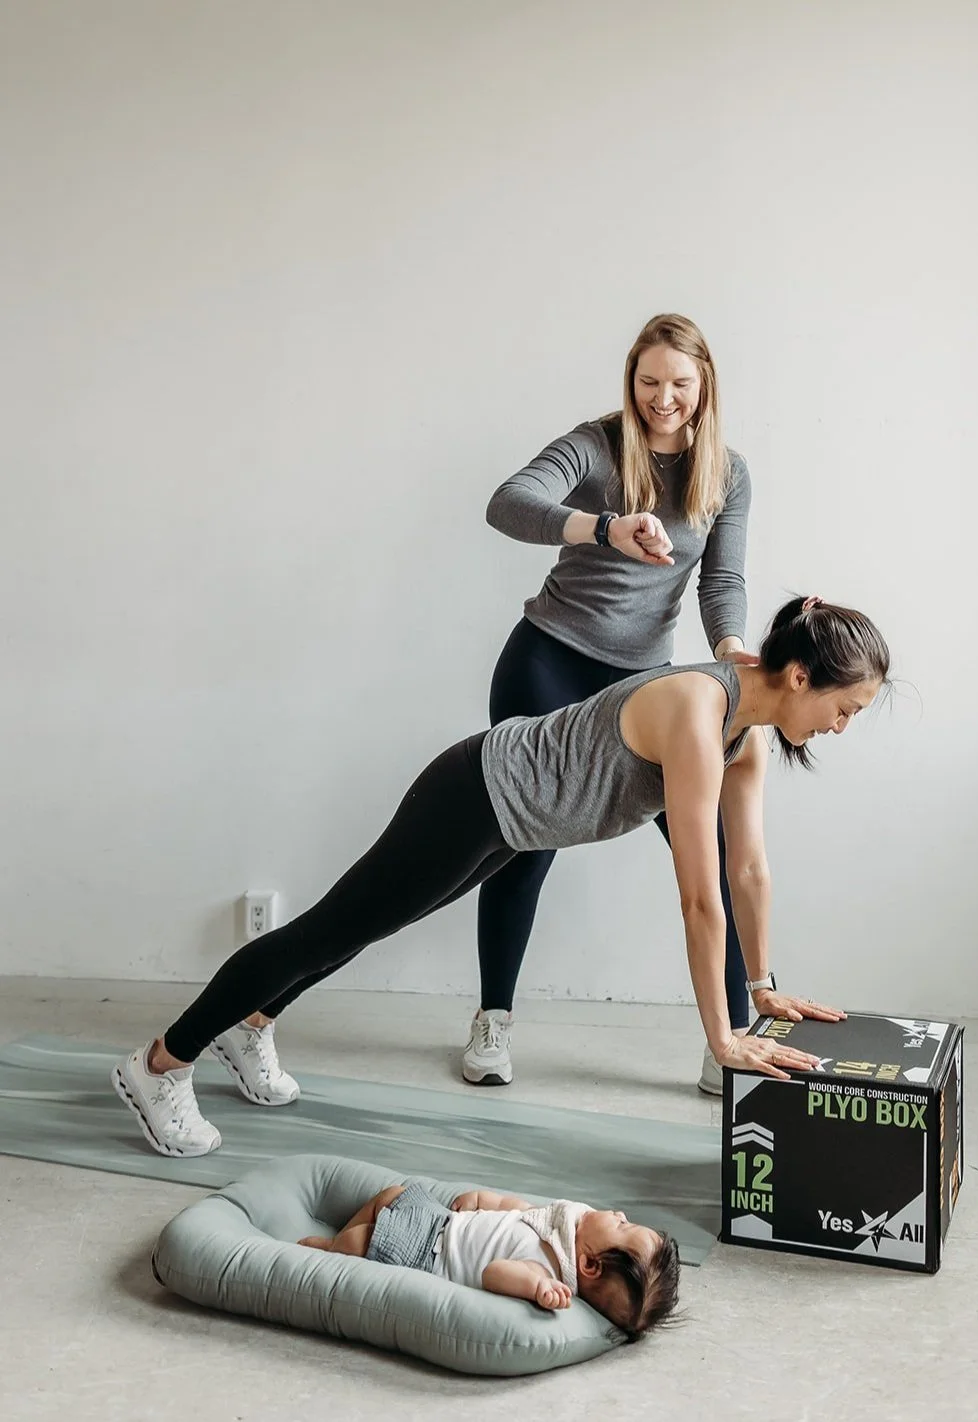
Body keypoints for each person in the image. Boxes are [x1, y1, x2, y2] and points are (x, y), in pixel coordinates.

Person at [111, 595, 889, 1163]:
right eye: (844, 707)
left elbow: (744, 869)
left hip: (517, 823)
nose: (840, 726)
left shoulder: (743, 739)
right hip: (476, 792)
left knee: (366, 925)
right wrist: (720, 1037)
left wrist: (761, 987)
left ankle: (250, 1029)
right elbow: (696, 895)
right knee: (332, 928)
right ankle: (160, 1065)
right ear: (795, 675)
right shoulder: (697, 709)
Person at [469, 312, 754, 1095]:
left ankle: (726, 1035)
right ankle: (493, 1020)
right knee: (521, 848)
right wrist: (601, 527)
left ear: (704, 388)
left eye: (680, 384)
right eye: (649, 380)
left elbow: (719, 584)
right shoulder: (594, 445)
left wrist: (729, 649)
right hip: (547, 666)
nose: (663, 398)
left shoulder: (725, 472)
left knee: (711, 855)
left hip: (642, 687)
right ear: (631, 380)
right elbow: (507, 502)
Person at [297, 1180, 680, 1342]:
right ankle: (338, 1238)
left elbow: (493, 1272)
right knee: (392, 1194)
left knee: (358, 1241)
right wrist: (484, 1199)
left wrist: (538, 1288)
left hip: (427, 1254)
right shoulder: (568, 1226)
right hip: (445, 1222)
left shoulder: (545, 1269)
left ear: (590, 1266)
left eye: (623, 1226)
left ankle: (331, 1250)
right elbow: (520, 1211)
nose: (619, 1212)